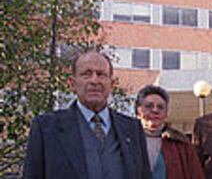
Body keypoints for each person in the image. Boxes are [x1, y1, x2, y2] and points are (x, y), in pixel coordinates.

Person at [23, 50, 151, 179]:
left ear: (112, 84)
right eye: (86, 74)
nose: (94, 81)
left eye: (101, 74)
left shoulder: (132, 129)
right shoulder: (46, 128)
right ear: (72, 84)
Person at [135, 85, 204, 179]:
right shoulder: (126, 142)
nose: (155, 110)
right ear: (138, 111)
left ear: (166, 114)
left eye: (160, 107)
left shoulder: (181, 145)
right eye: (149, 106)